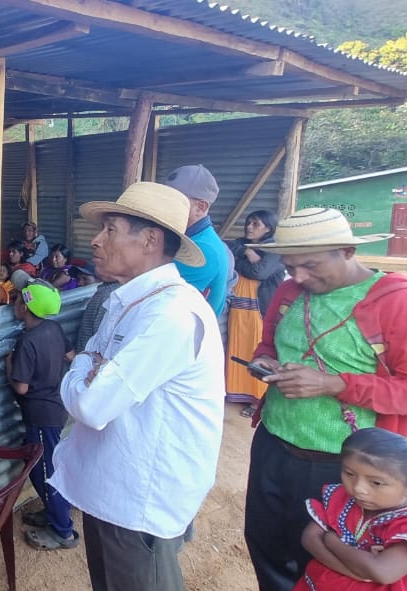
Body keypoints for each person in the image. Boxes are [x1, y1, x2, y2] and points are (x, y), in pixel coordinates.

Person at [242, 207, 407, 591]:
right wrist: (265, 361)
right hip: (274, 446)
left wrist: (336, 385)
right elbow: (269, 342)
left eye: (309, 265)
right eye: (290, 266)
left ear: (346, 250)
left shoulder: (399, 302)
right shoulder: (290, 290)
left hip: (345, 469)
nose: (298, 276)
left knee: (328, 565)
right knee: (267, 546)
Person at [52, 182, 225, 591]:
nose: (96, 240)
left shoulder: (170, 314)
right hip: (112, 485)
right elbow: (90, 365)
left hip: (137, 499)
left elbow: (92, 405)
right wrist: (88, 366)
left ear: (150, 239)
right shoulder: (130, 301)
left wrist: (80, 369)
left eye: (110, 229)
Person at [295, 428, 407, 590]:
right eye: (349, 474)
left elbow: (382, 573)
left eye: (376, 483)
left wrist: (330, 539)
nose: (358, 488)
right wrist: (353, 572)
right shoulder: (342, 498)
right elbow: (309, 538)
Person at [6, 283, 77, 551]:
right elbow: (71, 356)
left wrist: (9, 365)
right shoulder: (55, 328)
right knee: (50, 466)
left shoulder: (27, 340)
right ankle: (53, 513)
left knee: (44, 472)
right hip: (56, 408)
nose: (14, 305)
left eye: (17, 302)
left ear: (25, 308)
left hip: (40, 415)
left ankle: (63, 530)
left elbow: (21, 387)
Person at [226, 210, 285, 417]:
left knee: (256, 350)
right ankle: (237, 392)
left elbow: (259, 272)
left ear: (268, 228)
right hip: (239, 309)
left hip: (259, 310)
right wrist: (248, 254)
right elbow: (232, 250)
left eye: (256, 224)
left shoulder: (275, 249)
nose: (249, 227)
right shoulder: (241, 243)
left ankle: (258, 398)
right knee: (237, 349)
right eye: (249, 223)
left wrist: (245, 259)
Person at [163, 164, 231, 317]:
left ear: (200, 207)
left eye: (174, 201)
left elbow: (160, 302)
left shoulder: (202, 249)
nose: (165, 207)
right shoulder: (188, 238)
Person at [64, 265, 119, 363]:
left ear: (98, 280)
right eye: (78, 279)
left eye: (85, 279)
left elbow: (99, 339)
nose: (80, 283)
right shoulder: (80, 300)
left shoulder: (105, 297)